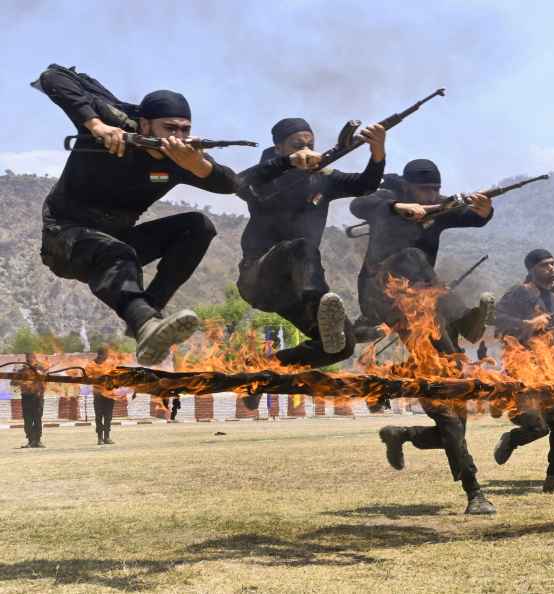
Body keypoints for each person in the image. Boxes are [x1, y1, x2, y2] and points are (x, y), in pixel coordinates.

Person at [36, 64, 240, 366]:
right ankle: (145, 322)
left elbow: (231, 183)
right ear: (144, 126)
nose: (178, 137)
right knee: (116, 251)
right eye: (169, 129)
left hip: (117, 242)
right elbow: (53, 76)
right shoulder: (112, 123)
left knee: (199, 227)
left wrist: (198, 165)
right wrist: (95, 125)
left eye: (185, 130)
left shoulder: (183, 158)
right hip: (65, 239)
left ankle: (146, 320)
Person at [360, 159, 496, 515]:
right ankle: (474, 491)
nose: (431, 196)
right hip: (384, 298)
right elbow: (359, 203)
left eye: (436, 190)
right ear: (407, 188)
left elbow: (472, 216)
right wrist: (398, 206)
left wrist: (485, 211)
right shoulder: (387, 200)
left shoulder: (440, 210)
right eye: (425, 191)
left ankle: (401, 435)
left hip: (428, 306)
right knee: (414, 256)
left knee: (455, 414)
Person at [236, 117, 386, 369]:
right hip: (258, 278)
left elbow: (366, 185)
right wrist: (287, 163)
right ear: (279, 148)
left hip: (295, 291)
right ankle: (318, 299)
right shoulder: (265, 176)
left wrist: (378, 151)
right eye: (297, 145)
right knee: (301, 246)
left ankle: (263, 367)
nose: (305, 150)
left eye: (310, 144)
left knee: (340, 346)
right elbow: (237, 184)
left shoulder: (321, 178)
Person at [491, 249, 554, 494]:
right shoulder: (519, 293)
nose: (552, 269)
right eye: (546, 265)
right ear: (532, 269)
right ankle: (513, 439)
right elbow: (496, 318)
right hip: (522, 370)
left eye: (553, 264)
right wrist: (525, 325)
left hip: (549, 371)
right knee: (537, 428)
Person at [12, 353, 47, 448]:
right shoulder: (22, 370)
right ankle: (31, 440)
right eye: (27, 358)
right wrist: (21, 382)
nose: (29, 359)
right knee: (27, 421)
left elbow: (45, 380)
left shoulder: (41, 369)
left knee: (37, 419)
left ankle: (38, 441)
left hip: (37, 397)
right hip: (26, 397)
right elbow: (13, 382)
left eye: (31, 357)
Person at [88, 347, 115, 445]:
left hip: (110, 394)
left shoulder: (110, 363)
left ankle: (107, 437)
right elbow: (87, 378)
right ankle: (100, 438)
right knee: (98, 416)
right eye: (105, 354)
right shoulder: (91, 365)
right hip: (98, 394)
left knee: (108, 417)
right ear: (100, 355)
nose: (107, 356)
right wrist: (97, 378)